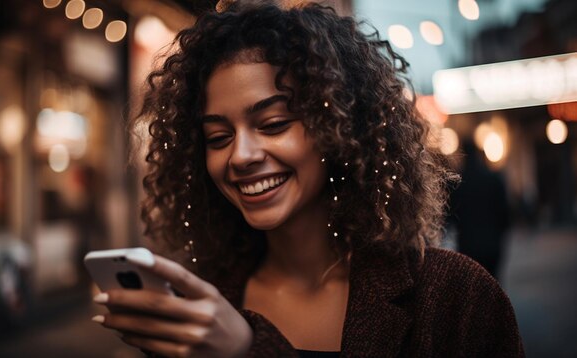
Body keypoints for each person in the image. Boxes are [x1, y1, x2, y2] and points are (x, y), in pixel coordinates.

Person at [90, 1, 524, 356]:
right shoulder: (200, 302)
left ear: (338, 128)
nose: (240, 155)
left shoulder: (454, 296)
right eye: (218, 136)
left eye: (274, 124)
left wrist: (248, 349)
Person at [450, 141, 510, 279]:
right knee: (493, 282)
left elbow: (451, 215)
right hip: (492, 244)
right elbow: (505, 213)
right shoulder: (494, 179)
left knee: (473, 287)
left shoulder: (459, 184)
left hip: (468, 245)